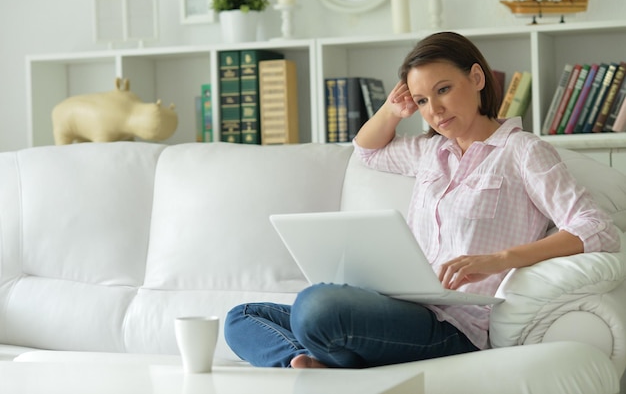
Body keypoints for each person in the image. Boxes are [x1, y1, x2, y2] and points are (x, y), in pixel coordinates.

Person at [223, 31, 621, 369]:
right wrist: (393, 111)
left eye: (443, 90)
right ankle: (310, 362)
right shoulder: (430, 152)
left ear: (477, 78)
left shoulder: (523, 152)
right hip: (400, 305)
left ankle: (331, 352)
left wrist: (498, 261)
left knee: (317, 307)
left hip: (456, 326)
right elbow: (367, 150)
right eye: (423, 101)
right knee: (241, 318)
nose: (435, 110)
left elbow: (595, 228)